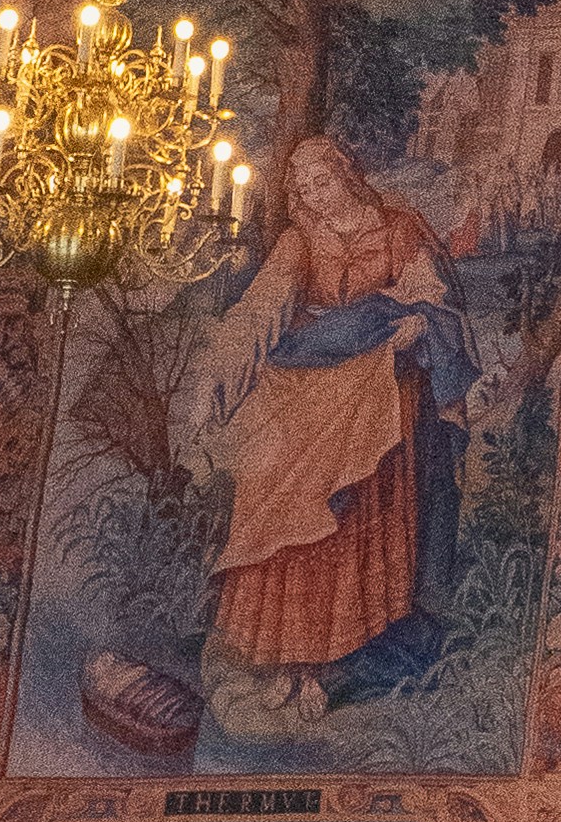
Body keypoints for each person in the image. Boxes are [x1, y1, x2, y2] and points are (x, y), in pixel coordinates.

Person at [193, 111, 463, 697]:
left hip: (379, 396)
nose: (315, 193)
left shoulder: (397, 229)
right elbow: (262, 309)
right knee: (281, 499)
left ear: (346, 175)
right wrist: (221, 369)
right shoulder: (300, 243)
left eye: (323, 179)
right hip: (308, 388)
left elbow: (432, 293)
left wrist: (416, 322)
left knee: (346, 521)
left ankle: (332, 663)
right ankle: (286, 660)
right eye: (304, 186)